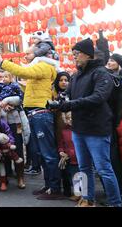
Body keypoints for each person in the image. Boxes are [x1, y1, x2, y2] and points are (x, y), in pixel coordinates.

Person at [48, 38, 122, 207]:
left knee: (104, 169)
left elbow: (99, 97)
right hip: (79, 128)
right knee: (83, 167)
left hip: (97, 129)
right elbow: (66, 94)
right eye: (73, 54)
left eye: (77, 54)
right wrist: (60, 101)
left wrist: (70, 105)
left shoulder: (101, 73)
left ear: (88, 55)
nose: (74, 57)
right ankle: (88, 199)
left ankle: (115, 203)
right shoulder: (75, 76)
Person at [0, 44, 63, 200]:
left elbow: (23, 71)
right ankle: (49, 186)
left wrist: (2, 62)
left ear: (38, 54)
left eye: (28, 53)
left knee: (48, 153)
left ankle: (54, 188)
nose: (25, 56)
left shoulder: (43, 66)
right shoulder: (40, 68)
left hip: (40, 113)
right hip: (35, 113)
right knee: (42, 152)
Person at [0, 69, 29, 189]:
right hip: (1, 122)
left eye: (4, 76)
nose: (1, 79)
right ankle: (6, 177)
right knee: (2, 149)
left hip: (15, 121)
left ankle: (20, 177)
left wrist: (8, 101)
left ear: (11, 77)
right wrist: (2, 104)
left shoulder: (16, 86)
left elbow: (20, 99)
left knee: (17, 148)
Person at [53, 72, 80, 201]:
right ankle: (68, 190)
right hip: (60, 130)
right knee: (68, 170)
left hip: (75, 137)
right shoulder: (54, 95)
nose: (64, 82)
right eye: (61, 80)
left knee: (80, 173)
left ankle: (82, 194)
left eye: (66, 80)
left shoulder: (74, 94)